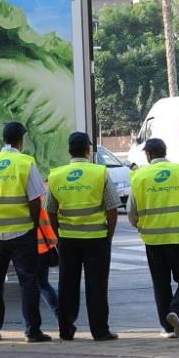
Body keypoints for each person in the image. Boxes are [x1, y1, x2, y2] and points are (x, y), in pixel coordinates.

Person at [0, 121, 50, 342]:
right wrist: (35, 224)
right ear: (22, 139)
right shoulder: (25, 163)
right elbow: (35, 198)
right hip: (22, 232)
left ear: (4, 139)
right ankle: (32, 331)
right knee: (28, 281)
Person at [47, 131, 119, 341]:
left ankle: (65, 330)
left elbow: (50, 210)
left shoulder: (56, 175)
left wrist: (59, 234)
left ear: (69, 150)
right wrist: (109, 236)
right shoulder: (100, 173)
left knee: (67, 285)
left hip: (68, 239)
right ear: (88, 150)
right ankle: (100, 331)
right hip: (97, 239)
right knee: (97, 285)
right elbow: (112, 209)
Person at [129, 138, 179, 338]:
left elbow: (132, 213)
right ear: (165, 151)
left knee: (160, 283)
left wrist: (141, 224)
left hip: (153, 239)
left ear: (148, 154)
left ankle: (167, 327)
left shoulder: (139, 176)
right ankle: (177, 311)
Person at [36, 206, 60, 318]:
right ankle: (62, 317)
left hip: (30, 247)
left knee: (38, 284)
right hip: (43, 247)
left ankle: (60, 316)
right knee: (42, 284)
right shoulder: (42, 194)